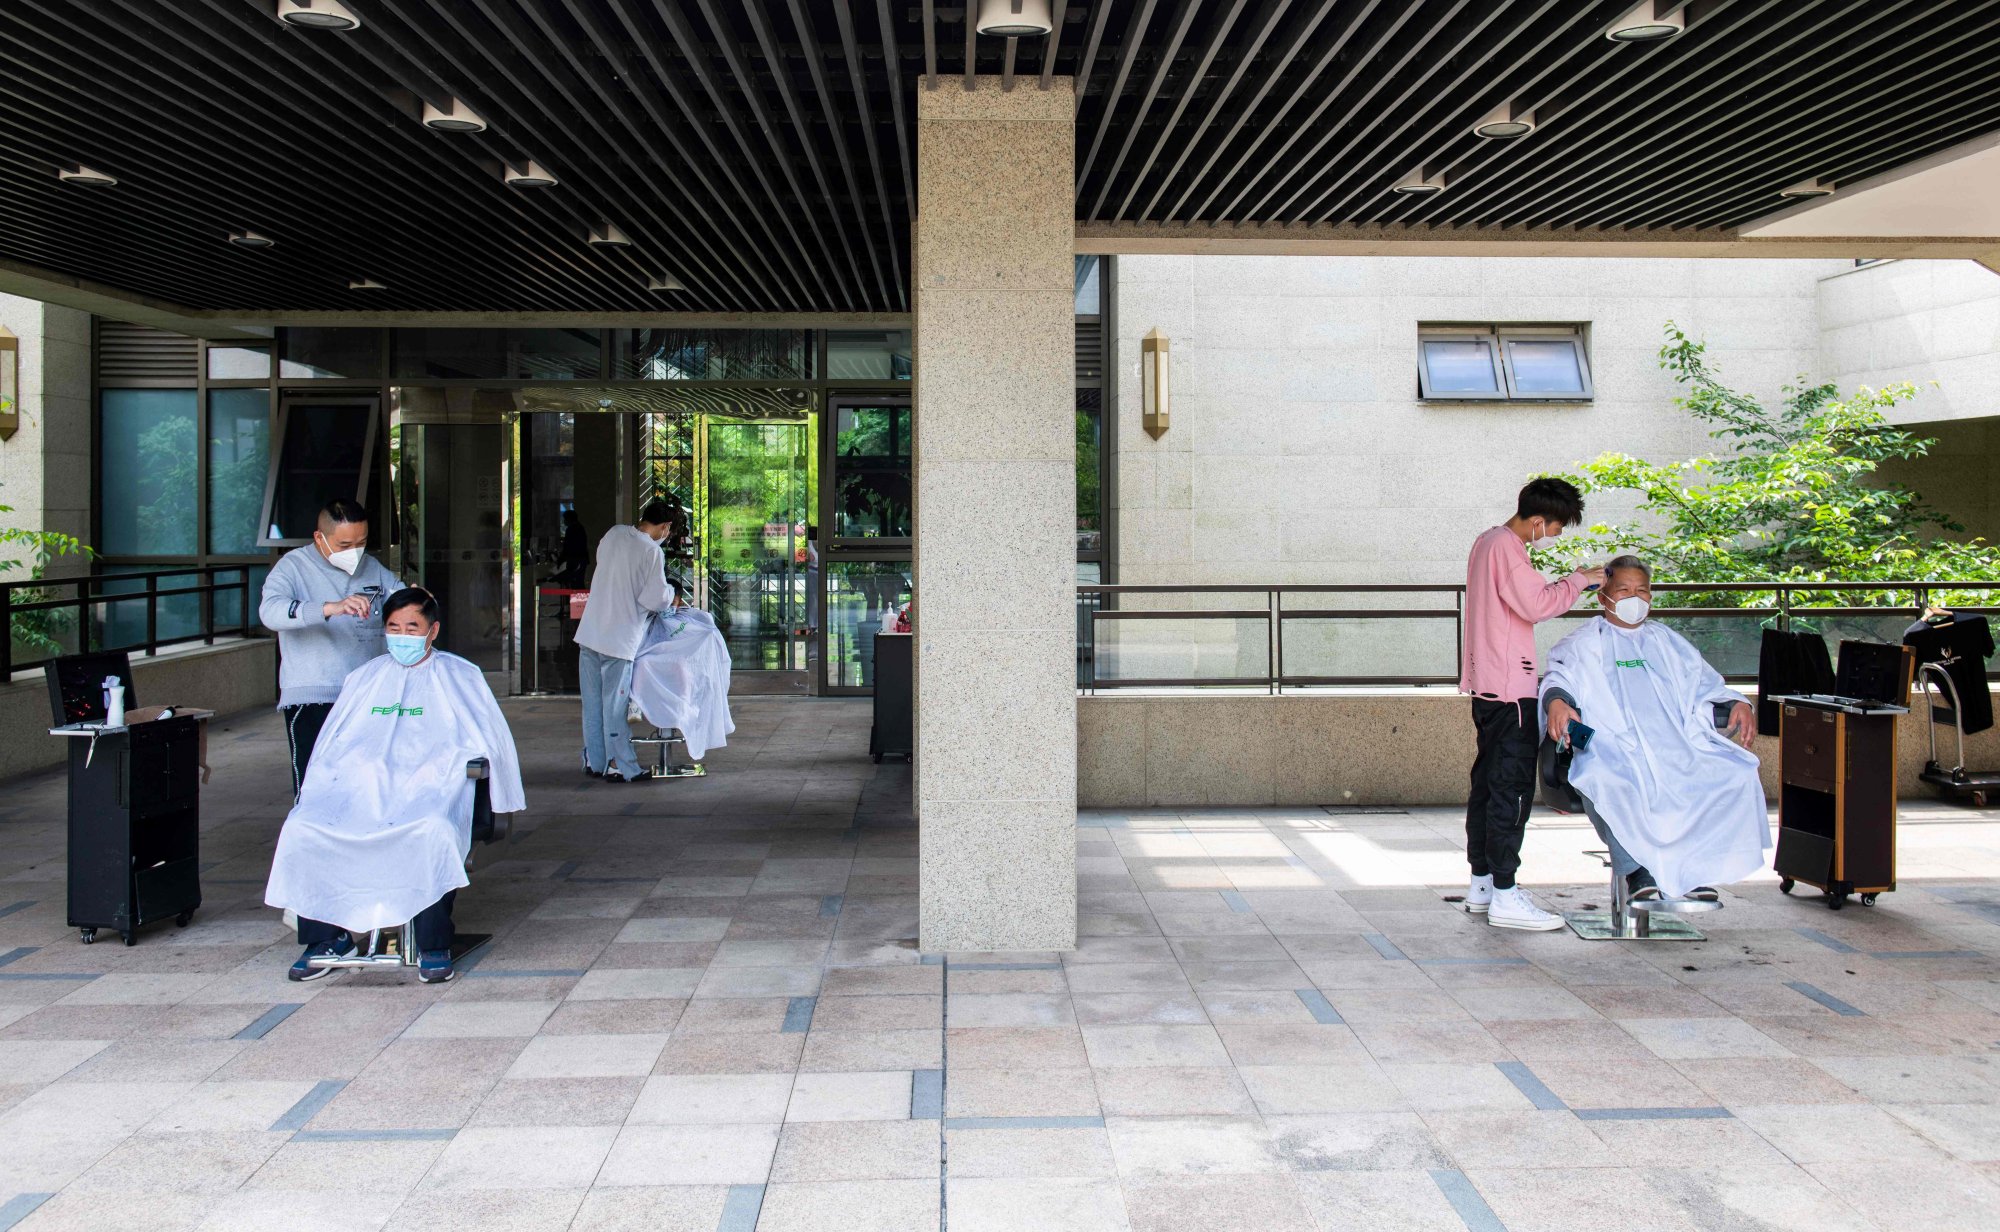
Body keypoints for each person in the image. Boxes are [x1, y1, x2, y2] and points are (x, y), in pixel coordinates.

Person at [266, 588, 525, 984]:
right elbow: (333, 744)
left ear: (433, 630)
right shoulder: (364, 679)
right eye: (393, 627)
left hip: (430, 791)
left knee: (430, 831)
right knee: (305, 828)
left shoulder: (460, 676)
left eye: (412, 627)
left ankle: (433, 942)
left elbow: (493, 744)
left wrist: (497, 798)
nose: (402, 635)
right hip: (361, 792)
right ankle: (326, 940)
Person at [1541, 557, 1767, 900]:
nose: (1635, 597)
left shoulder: (1667, 642)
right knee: (1615, 781)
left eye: (1642, 590)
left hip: (1673, 743)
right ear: (1603, 597)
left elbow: (1706, 684)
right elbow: (1559, 678)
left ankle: (1690, 872)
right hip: (1610, 743)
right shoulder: (1584, 642)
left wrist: (1737, 703)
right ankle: (1637, 872)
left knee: (1732, 774)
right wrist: (1557, 702)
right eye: (1624, 590)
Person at [1460, 478, 1606, 931]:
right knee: (1512, 791)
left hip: (1488, 686)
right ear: (1539, 520)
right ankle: (1505, 893)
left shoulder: (1486, 541)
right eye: (1558, 527)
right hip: (1511, 690)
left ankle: (1483, 885)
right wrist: (1582, 579)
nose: (1557, 535)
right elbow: (1537, 603)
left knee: (1488, 786)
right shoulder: (1507, 546)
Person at [258, 498, 402, 798]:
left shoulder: (372, 567)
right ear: (319, 538)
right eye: (345, 544)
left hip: (366, 694)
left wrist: (418, 601)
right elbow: (270, 612)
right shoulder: (293, 567)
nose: (355, 553)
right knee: (316, 786)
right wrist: (329, 608)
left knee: (366, 782)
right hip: (314, 697)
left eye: (361, 543)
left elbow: (402, 601)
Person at [575, 500, 679, 782]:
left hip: (590, 633)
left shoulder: (614, 533)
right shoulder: (651, 551)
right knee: (614, 706)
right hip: (618, 640)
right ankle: (622, 765)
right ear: (665, 527)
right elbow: (655, 599)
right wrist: (672, 593)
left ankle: (595, 761)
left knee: (593, 704)